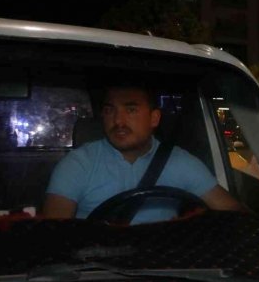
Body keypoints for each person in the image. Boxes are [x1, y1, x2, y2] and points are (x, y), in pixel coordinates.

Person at [43, 83, 240, 223]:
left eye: (130, 110)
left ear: (154, 118)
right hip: (98, 273)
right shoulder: (78, 164)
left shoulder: (181, 162)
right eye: (110, 110)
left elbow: (235, 216)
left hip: (161, 270)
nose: (118, 121)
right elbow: (54, 236)